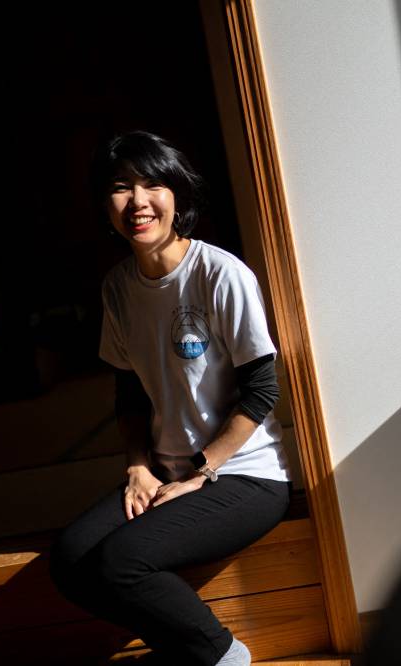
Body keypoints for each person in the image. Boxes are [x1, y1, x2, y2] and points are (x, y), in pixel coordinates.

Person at [50, 131, 291, 666]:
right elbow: (129, 391)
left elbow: (262, 390)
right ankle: (190, 656)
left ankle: (224, 655)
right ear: (104, 205)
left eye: (152, 183)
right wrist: (138, 468)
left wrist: (200, 472)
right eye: (120, 187)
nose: (137, 201)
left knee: (122, 560)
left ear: (176, 194)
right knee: (70, 560)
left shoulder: (219, 274)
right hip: (163, 470)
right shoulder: (118, 287)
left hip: (245, 475)